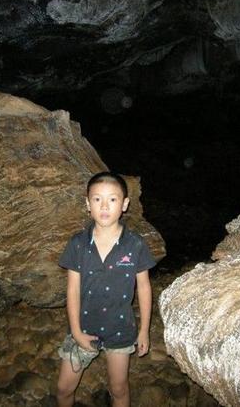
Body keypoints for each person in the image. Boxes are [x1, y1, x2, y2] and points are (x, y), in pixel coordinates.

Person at [56, 171, 157, 407]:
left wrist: (144, 330)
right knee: (63, 389)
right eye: (97, 199)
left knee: (119, 388)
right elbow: (72, 290)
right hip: (83, 324)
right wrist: (76, 332)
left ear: (124, 204)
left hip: (120, 328)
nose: (104, 206)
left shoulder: (135, 244)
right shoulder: (78, 244)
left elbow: (144, 287)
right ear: (87, 204)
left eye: (112, 199)